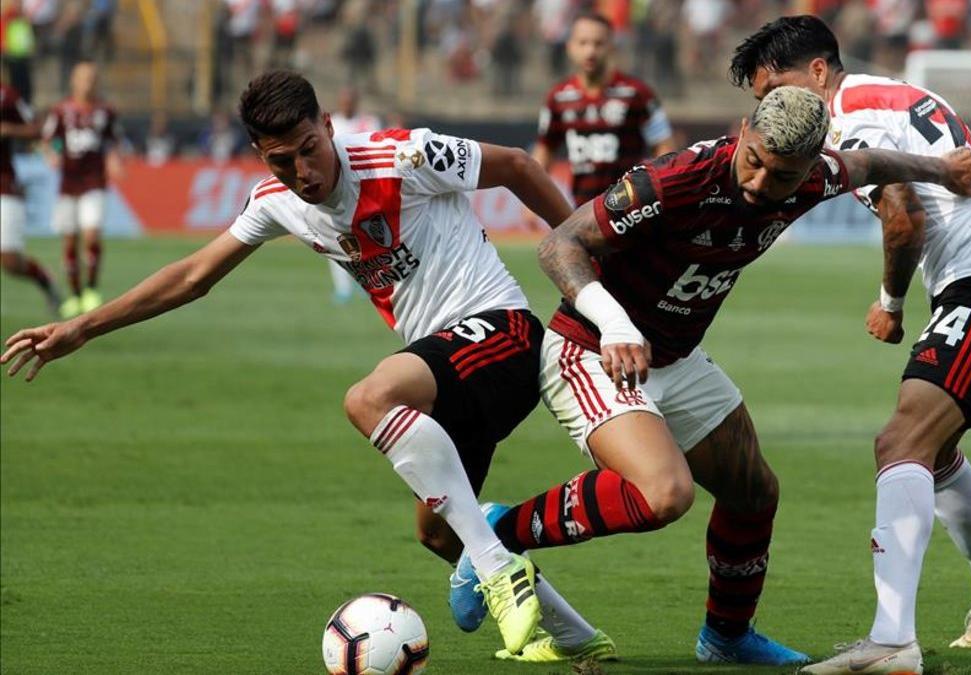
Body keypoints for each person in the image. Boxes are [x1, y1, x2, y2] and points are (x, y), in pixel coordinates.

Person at [1, 69, 606, 660]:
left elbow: (520, 166)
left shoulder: (403, 157)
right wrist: (82, 326)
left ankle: (499, 568)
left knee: (368, 398)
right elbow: (191, 277)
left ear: (328, 124)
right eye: (281, 161)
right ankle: (576, 637)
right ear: (260, 157)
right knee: (441, 533)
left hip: (501, 332)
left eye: (309, 150)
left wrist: (587, 263)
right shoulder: (276, 203)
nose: (302, 173)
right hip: (442, 370)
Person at [454, 84, 971, 666]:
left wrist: (942, 169)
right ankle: (498, 531)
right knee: (666, 494)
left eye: (783, 176)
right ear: (743, 130)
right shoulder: (675, 180)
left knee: (754, 493)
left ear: (811, 167)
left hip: (676, 357)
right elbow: (560, 246)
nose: (762, 182)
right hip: (592, 350)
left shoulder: (816, 177)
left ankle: (726, 638)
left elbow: (870, 163)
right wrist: (614, 325)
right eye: (755, 160)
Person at [728, 16, 971, 674]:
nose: (773, 108)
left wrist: (890, 301)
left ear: (818, 71)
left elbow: (904, 216)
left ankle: (891, 641)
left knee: (900, 442)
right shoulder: (902, 96)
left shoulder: (851, 120)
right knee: (932, 450)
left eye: (777, 87)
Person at [531, 12, 675, 209]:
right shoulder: (558, 98)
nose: (590, 51)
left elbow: (664, 147)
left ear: (612, 47)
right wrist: (531, 197)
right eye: (583, 43)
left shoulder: (638, 94)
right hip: (582, 211)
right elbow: (544, 150)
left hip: (632, 211)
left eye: (598, 43)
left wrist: (663, 191)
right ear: (570, 47)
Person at [41, 60, 121, 318]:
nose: (87, 83)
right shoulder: (61, 110)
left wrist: (113, 160)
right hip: (68, 183)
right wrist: (53, 154)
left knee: (91, 235)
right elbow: (49, 140)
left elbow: (112, 141)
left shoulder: (105, 111)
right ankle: (75, 295)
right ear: (73, 81)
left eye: (91, 78)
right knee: (69, 241)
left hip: (94, 181)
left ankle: (91, 290)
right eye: (83, 78)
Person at [1, 66, 62, 314]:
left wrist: (9, 129)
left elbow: (38, 129)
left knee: (10, 261)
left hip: (3, 186)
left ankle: (45, 281)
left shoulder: (6, 96)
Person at [327, 86, 382, 304]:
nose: (346, 104)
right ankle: (343, 289)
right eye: (343, 100)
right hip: (338, 190)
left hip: (365, 188)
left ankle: (369, 283)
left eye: (350, 100)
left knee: (370, 238)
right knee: (337, 239)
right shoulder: (330, 122)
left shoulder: (369, 123)